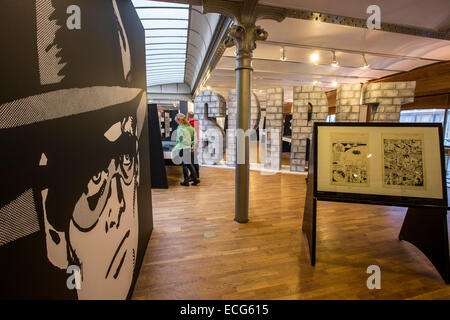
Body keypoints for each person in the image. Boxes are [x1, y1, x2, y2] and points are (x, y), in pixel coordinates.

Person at [174, 114, 200, 186]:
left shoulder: (180, 128)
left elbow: (180, 139)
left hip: (183, 147)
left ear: (180, 120)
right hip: (189, 148)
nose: (177, 123)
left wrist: (177, 146)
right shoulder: (191, 128)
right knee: (189, 164)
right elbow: (195, 138)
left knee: (185, 165)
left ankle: (186, 181)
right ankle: (195, 179)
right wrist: (192, 146)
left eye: (177, 121)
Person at [187, 111, 200, 178]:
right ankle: (197, 174)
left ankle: (193, 174)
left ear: (188, 116)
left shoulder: (190, 124)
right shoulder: (197, 123)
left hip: (192, 143)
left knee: (192, 160)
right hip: (196, 142)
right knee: (195, 159)